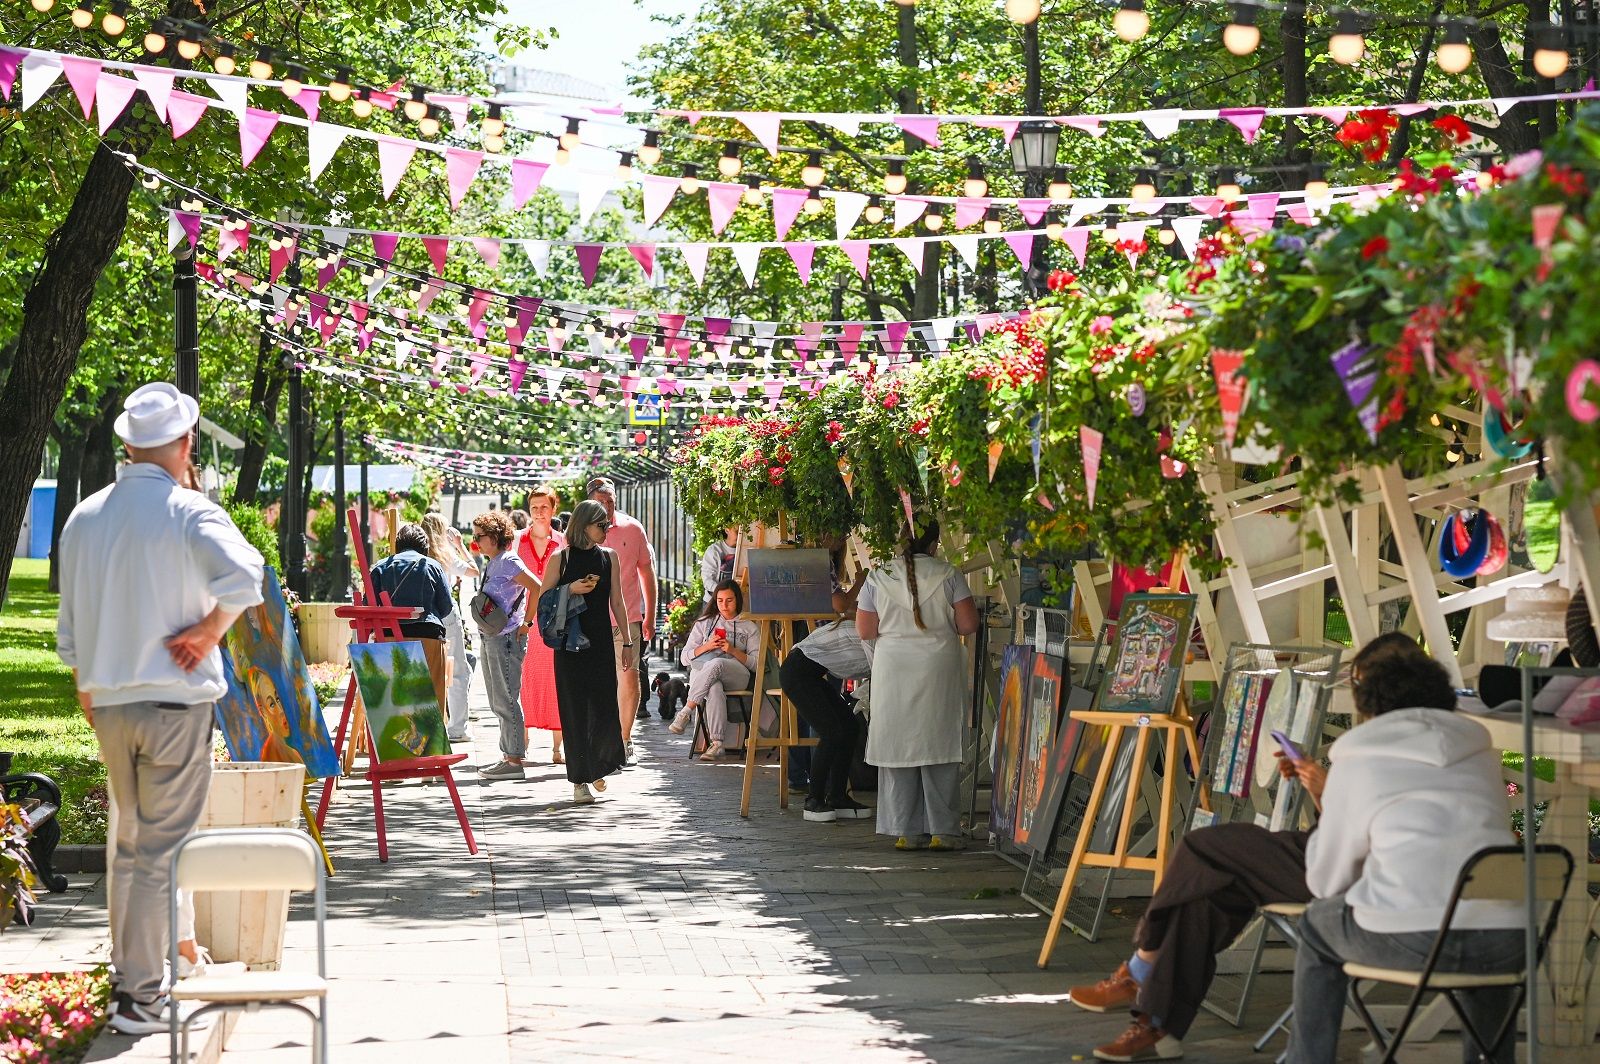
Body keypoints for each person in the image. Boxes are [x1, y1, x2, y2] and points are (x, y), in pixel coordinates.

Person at [1068, 633, 1435, 1062]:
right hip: (1376, 865)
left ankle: (1140, 967)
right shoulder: (1452, 740)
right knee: (1207, 895)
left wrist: (1327, 793)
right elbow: (1371, 820)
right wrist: (1320, 788)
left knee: (1203, 847)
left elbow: (1351, 841)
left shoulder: (1370, 747)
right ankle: (1157, 1029)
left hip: (1354, 871)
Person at [57, 382, 265, 1035]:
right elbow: (246, 577)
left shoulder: (85, 516)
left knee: (131, 847)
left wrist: (89, 685)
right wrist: (207, 633)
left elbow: (70, 631)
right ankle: (139, 996)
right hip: (172, 704)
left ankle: (135, 979)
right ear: (183, 444)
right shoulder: (189, 510)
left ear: (126, 444)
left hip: (111, 702)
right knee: (158, 852)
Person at [1286, 647, 1526, 1064]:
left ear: (1367, 705)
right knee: (1486, 918)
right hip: (1509, 943)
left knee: (1316, 924)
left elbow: (1326, 883)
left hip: (1412, 938)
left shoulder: (1357, 759)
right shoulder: (1480, 755)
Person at [855, 520, 979, 851]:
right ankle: (943, 830)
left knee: (898, 744)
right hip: (938, 667)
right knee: (939, 743)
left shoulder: (878, 576)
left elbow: (865, 630)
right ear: (934, 543)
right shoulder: (949, 573)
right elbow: (968, 624)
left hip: (894, 668)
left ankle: (905, 830)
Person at [538, 499, 630, 804]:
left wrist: (628, 642)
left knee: (604, 707)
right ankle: (580, 780)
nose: (606, 529)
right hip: (569, 646)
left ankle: (598, 765)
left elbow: (618, 602)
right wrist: (570, 589)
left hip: (601, 642)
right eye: (600, 524)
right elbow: (543, 600)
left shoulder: (609, 557)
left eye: (607, 524)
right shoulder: (560, 559)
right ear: (583, 525)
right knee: (575, 710)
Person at [586, 477, 657, 760]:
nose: (606, 507)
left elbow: (646, 574)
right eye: (600, 502)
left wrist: (649, 615)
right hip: (591, 620)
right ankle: (599, 737)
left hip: (627, 620)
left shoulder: (632, 528)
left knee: (628, 679)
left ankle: (624, 739)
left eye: (610, 502)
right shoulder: (579, 531)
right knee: (596, 682)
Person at [781, 616, 873, 823]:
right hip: (797, 673)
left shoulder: (865, 626)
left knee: (849, 727)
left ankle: (837, 796)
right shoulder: (869, 632)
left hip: (810, 674)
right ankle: (814, 799)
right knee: (832, 733)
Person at [470, 511, 540, 780]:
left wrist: (527, 623)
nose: (476, 542)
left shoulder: (508, 560)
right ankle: (507, 755)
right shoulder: (495, 561)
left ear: (496, 536)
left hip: (507, 638)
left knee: (507, 698)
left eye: (480, 537)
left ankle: (513, 761)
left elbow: (537, 587)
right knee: (497, 698)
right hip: (493, 637)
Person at [670, 580, 760, 760]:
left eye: (729, 600)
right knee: (714, 687)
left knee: (718, 663)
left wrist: (732, 650)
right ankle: (717, 744)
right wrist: (706, 646)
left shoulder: (749, 626)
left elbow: (757, 664)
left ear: (738, 600)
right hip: (707, 675)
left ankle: (686, 711)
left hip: (737, 674)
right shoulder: (705, 623)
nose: (724, 605)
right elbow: (684, 657)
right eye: (720, 600)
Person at [516, 485, 565, 762]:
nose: (538, 512)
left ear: (553, 509)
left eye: (544, 507)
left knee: (556, 681)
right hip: (523, 621)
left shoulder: (563, 542)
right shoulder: (517, 541)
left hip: (554, 622)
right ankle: (521, 742)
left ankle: (558, 748)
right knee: (523, 680)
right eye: (534, 507)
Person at [421, 513, 477, 741]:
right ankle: (456, 728)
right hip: (447, 615)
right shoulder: (446, 556)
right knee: (457, 671)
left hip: (425, 616)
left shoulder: (421, 554)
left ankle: (430, 725)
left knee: (427, 670)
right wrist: (460, 545)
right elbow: (474, 570)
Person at [699, 527, 739, 603]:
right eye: (737, 531)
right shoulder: (714, 550)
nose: (741, 535)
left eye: (743, 532)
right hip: (712, 602)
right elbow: (707, 580)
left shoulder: (746, 550)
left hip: (735, 604)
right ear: (727, 529)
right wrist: (725, 593)